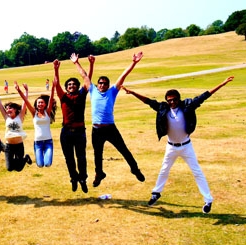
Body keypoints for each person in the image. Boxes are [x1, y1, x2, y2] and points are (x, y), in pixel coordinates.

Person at [122, 76, 234, 214]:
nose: (172, 102)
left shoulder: (187, 106)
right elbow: (148, 101)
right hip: (171, 147)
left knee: (197, 172)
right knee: (164, 170)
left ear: (178, 99)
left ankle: (208, 200)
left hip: (186, 146)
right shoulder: (163, 108)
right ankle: (156, 193)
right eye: (169, 100)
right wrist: (133, 93)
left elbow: (204, 96)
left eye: (174, 99)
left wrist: (222, 83)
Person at [83, 52, 146, 187]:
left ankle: (135, 169)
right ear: (97, 84)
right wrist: (82, 63)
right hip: (96, 129)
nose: (102, 85)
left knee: (124, 150)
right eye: (100, 83)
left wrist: (134, 63)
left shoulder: (112, 91)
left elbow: (123, 76)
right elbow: (84, 76)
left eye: (105, 83)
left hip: (110, 128)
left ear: (108, 85)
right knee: (97, 154)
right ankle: (99, 173)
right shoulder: (92, 90)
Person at [54, 56, 90, 193]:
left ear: (77, 86)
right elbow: (56, 84)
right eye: (69, 85)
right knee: (69, 158)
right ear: (66, 88)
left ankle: (82, 179)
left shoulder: (82, 95)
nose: (72, 86)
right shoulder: (63, 97)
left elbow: (86, 78)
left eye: (74, 84)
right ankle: (73, 178)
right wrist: (56, 69)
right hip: (66, 132)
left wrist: (76, 63)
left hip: (80, 131)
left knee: (81, 157)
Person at [17, 78, 57, 168]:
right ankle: (29, 158)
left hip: (48, 142)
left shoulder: (47, 112)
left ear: (45, 104)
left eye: (42, 103)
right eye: (39, 103)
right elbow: (26, 101)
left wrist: (53, 87)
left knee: (47, 164)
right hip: (38, 142)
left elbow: (51, 99)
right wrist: (19, 90)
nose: (40, 104)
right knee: (40, 164)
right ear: (36, 104)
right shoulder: (34, 113)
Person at [0, 82, 32, 172]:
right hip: (9, 146)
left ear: (15, 109)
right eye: (6, 108)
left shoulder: (20, 117)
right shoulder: (6, 118)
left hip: (19, 145)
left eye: (10, 108)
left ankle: (25, 158)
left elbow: (25, 103)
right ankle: (17, 161)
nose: (8, 110)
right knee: (9, 168)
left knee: (18, 168)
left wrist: (26, 91)